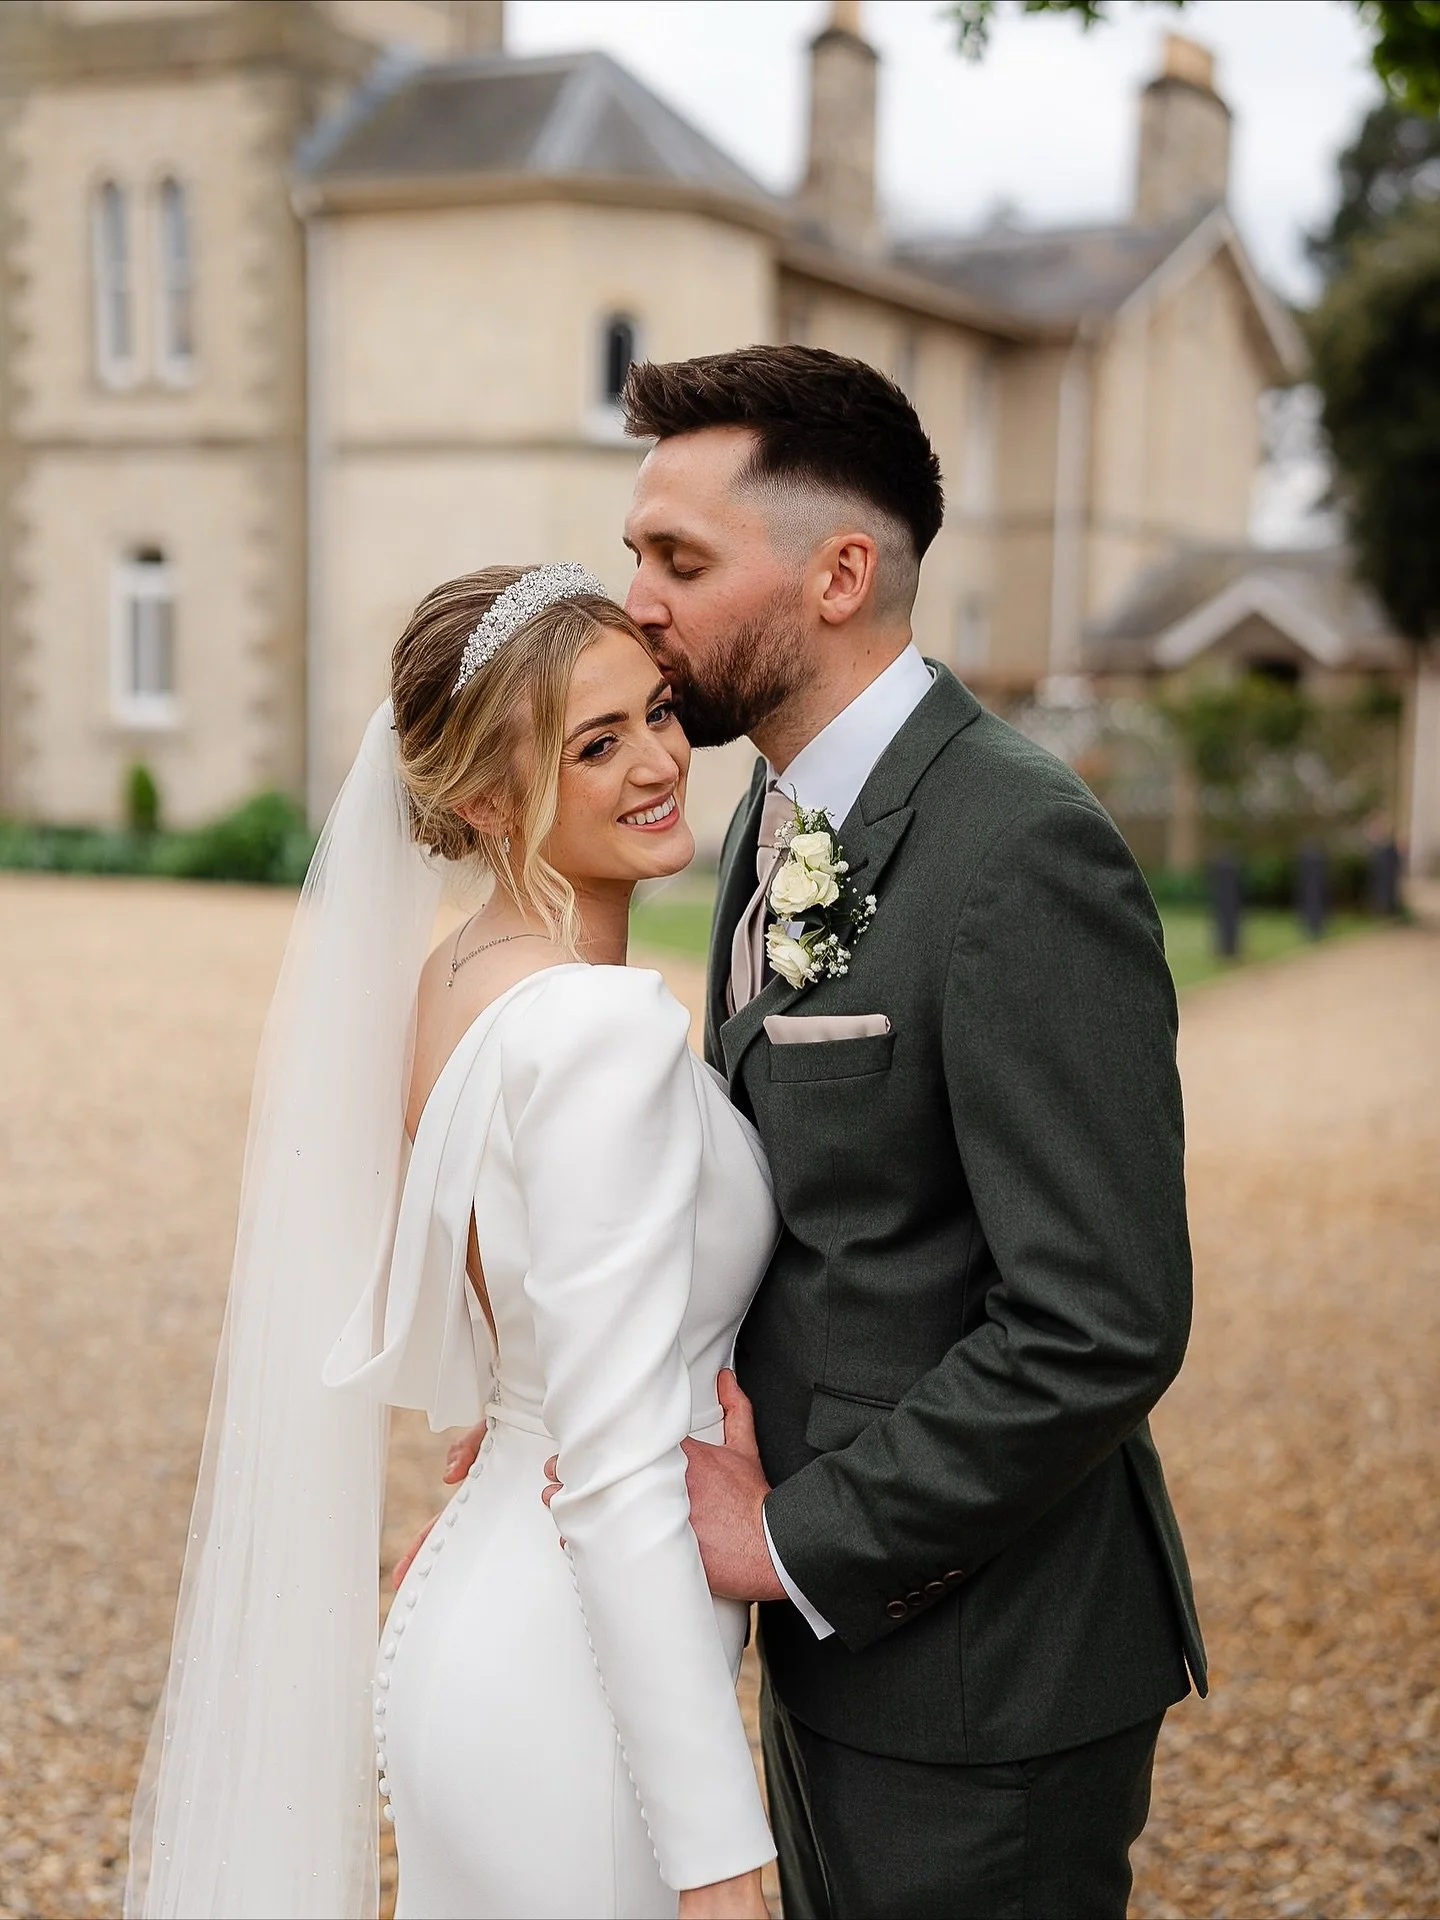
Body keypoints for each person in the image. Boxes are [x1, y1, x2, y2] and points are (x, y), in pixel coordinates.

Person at [502, 345, 1207, 1918]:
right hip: (832, 1655)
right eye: (636, 553)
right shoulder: (769, 809)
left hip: (981, 1687)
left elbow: (1102, 1322)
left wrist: (796, 1539)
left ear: (838, 573)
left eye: (679, 559)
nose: (639, 604)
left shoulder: (1022, 852)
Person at [127, 566, 777, 1920]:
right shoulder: (599, 1033)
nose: (660, 760)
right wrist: (721, 1852)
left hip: (475, 1617)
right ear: (483, 802)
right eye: (596, 745)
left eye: (658, 714)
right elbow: (607, 1473)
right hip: (577, 1687)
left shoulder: (456, 983)